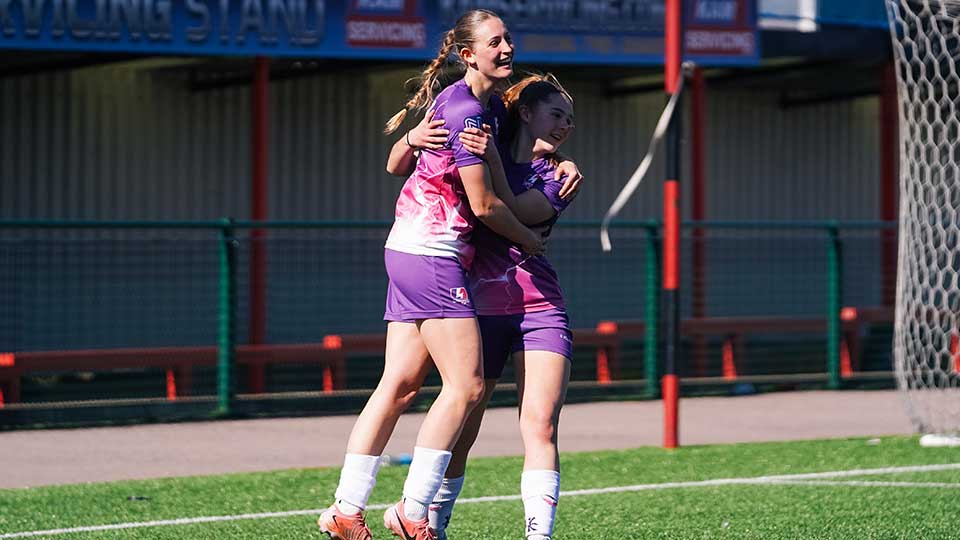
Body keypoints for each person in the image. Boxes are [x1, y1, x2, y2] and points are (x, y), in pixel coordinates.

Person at [318, 10, 572, 540]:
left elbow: (396, 164)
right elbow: (482, 205)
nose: (507, 49)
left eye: (508, 40)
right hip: (432, 252)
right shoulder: (468, 110)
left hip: (411, 248)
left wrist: (410, 141)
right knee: (467, 386)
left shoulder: (473, 106)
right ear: (468, 54)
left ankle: (345, 508)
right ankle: (414, 512)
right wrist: (529, 241)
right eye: (495, 42)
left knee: (401, 384)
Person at [425, 74, 577, 540]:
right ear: (526, 114)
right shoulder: (478, 144)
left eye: (571, 120)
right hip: (480, 312)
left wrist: (492, 155)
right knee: (463, 432)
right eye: (556, 114)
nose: (565, 126)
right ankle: (432, 523)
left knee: (539, 424)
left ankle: (539, 535)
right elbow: (406, 161)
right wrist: (413, 137)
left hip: (540, 311)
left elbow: (505, 207)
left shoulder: (556, 177)